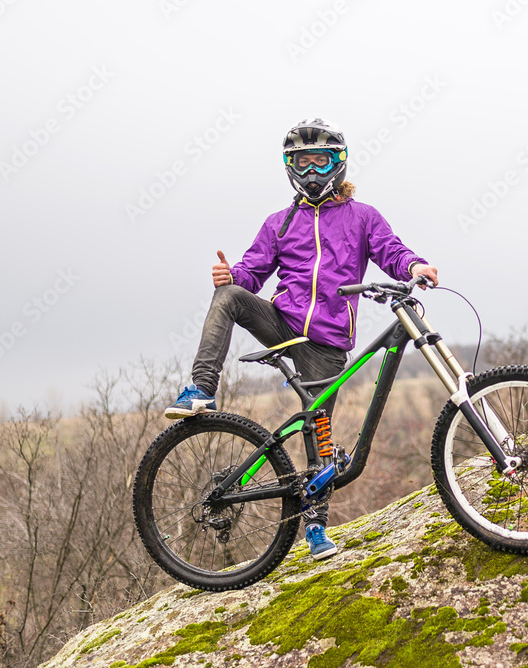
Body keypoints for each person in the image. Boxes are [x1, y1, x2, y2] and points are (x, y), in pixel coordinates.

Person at [164, 118, 438, 560]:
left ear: (338, 163)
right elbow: (251, 273)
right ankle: (201, 389)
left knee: (318, 429)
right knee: (229, 295)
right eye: (301, 161)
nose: (311, 170)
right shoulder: (280, 221)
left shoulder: (362, 216)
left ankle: (315, 528)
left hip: (327, 345)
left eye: (320, 160)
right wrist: (231, 275)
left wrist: (414, 267)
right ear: (290, 166)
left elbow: (392, 250)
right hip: (283, 325)